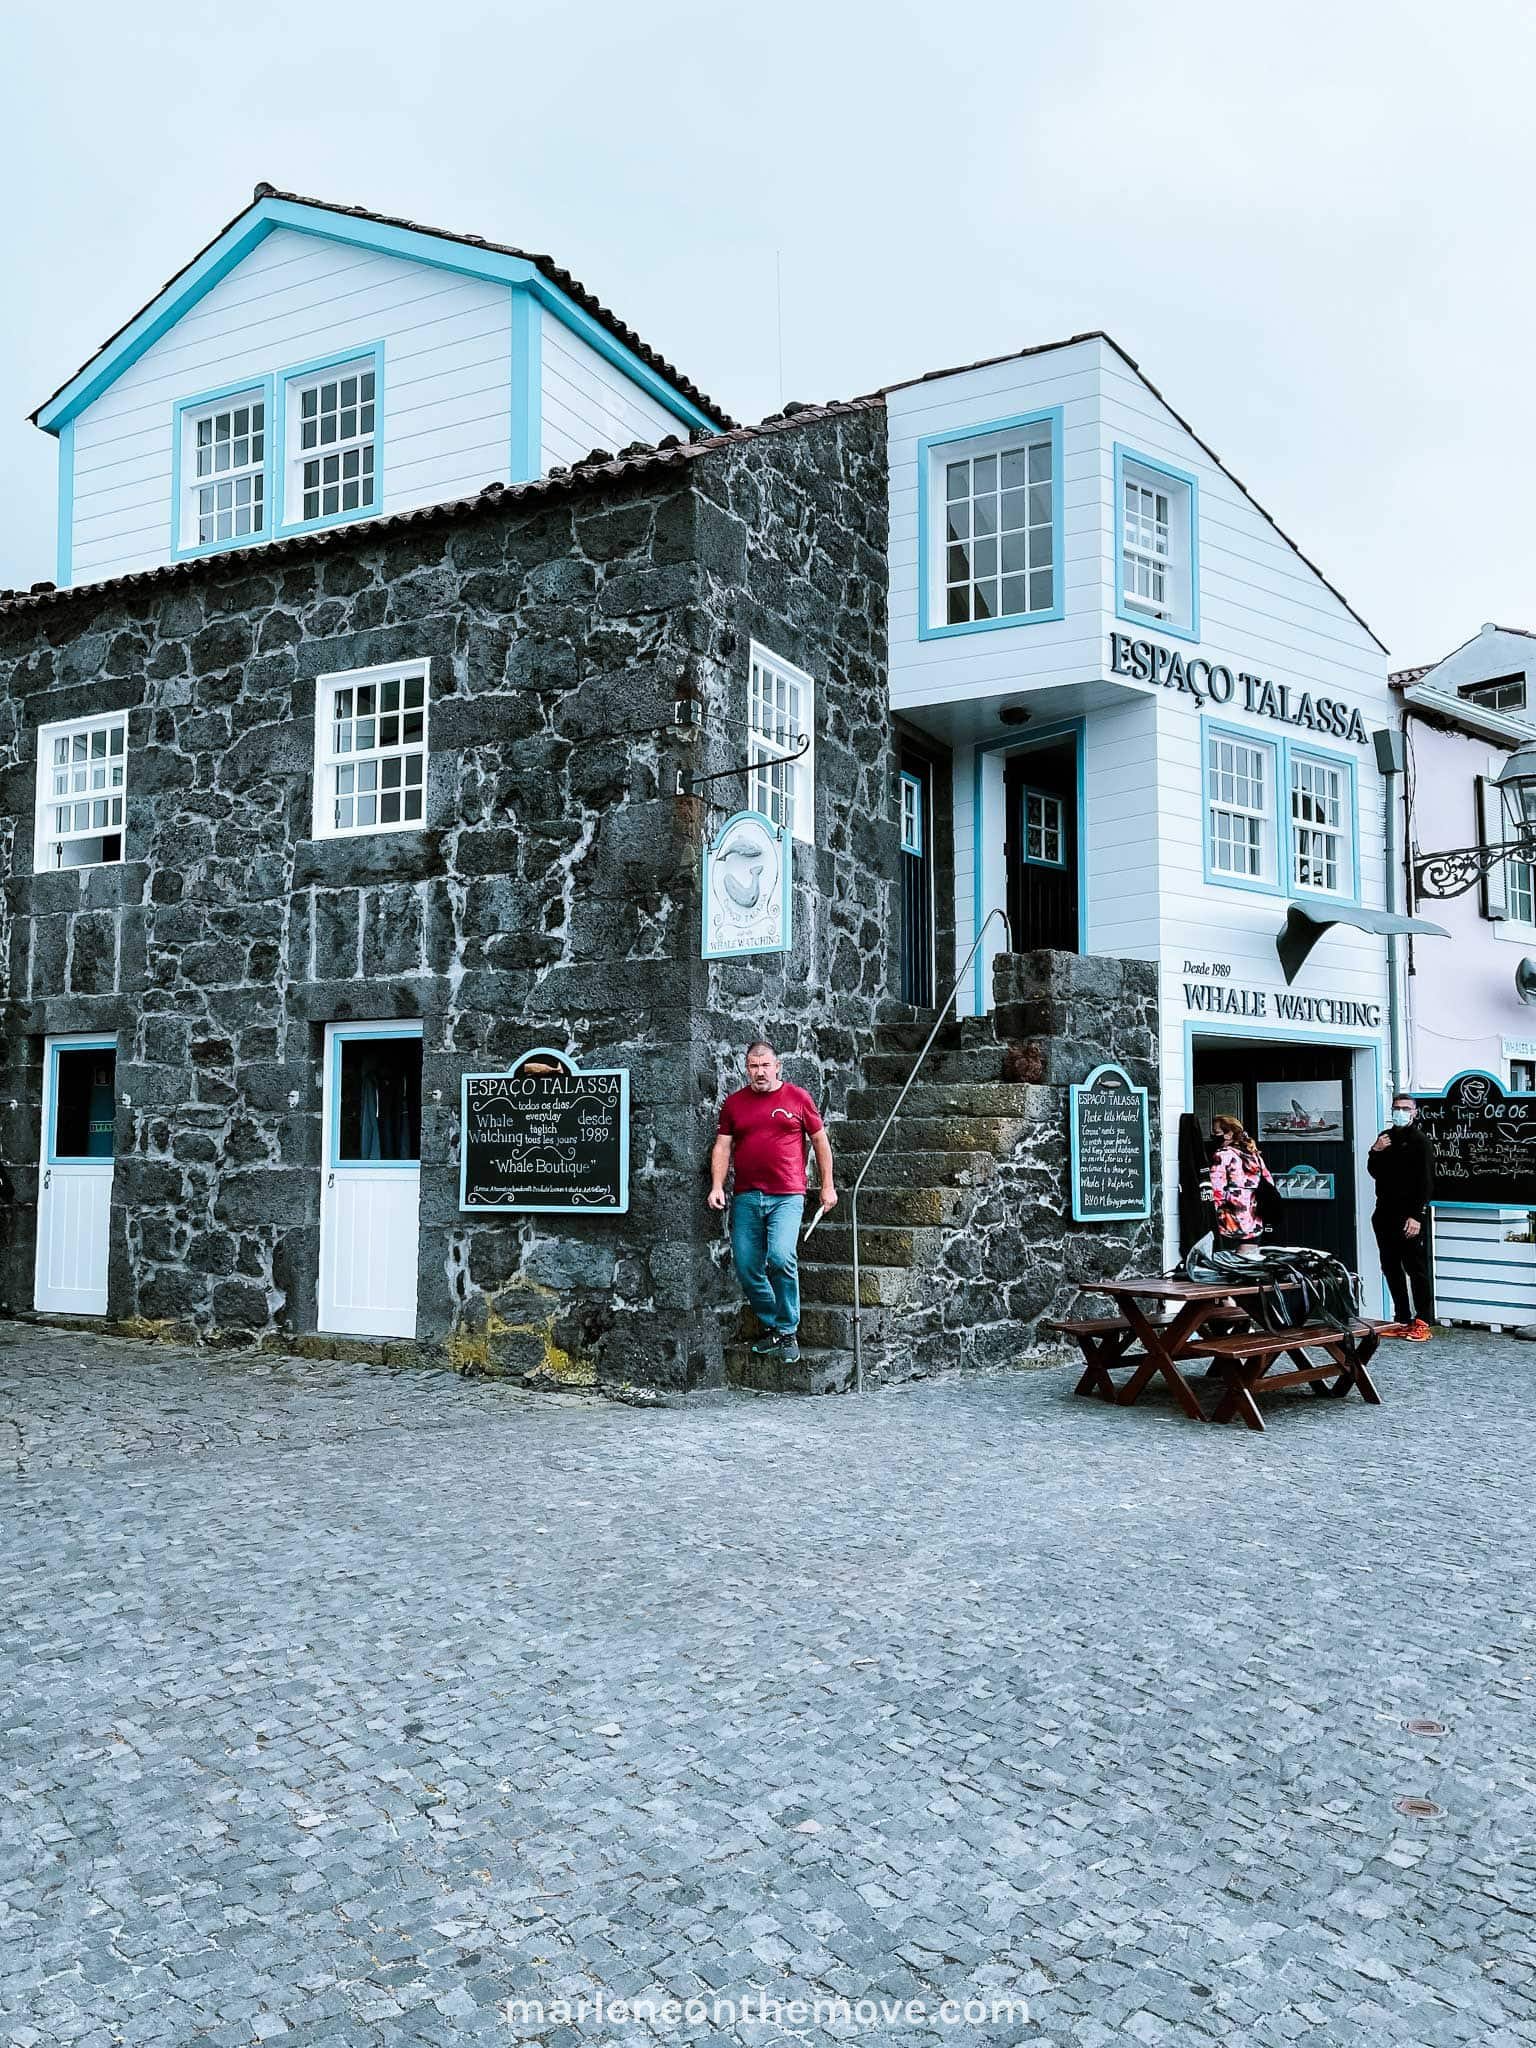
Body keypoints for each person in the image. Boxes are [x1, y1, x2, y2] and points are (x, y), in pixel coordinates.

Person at [708, 1041, 837, 1364]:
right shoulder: (735, 1104)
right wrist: (716, 1186)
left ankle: (788, 1329)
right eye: (753, 1066)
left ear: (777, 1066)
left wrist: (827, 1187)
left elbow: (820, 1141)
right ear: (746, 1068)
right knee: (747, 1266)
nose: (760, 1072)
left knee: (780, 1257)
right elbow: (723, 1147)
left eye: (765, 1065)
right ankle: (774, 1326)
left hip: (787, 1195)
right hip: (747, 1197)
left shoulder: (798, 1098)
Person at [1369, 1093, 1434, 1339]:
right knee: (1391, 1267)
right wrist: (1375, 1151)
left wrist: (1417, 1215)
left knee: (1415, 1268)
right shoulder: (1385, 1138)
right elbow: (1374, 1171)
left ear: (1414, 1112)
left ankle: (1423, 1320)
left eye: (1406, 1108)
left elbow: (1425, 1182)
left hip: (1409, 1215)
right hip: (1384, 1211)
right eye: (1397, 1107)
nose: (1400, 1112)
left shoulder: (1420, 1141)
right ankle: (1402, 1317)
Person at [1208, 1114, 1276, 1244]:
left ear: (1229, 1134)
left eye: (1216, 1132)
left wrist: (1210, 1215)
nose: (1212, 1135)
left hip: (1230, 1222)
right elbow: (1269, 1182)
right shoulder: (1254, 1155)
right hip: (1255, 1219)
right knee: (1249, 1260)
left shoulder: (1222, 1154)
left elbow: (1216, 1189)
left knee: (1228, 1260)